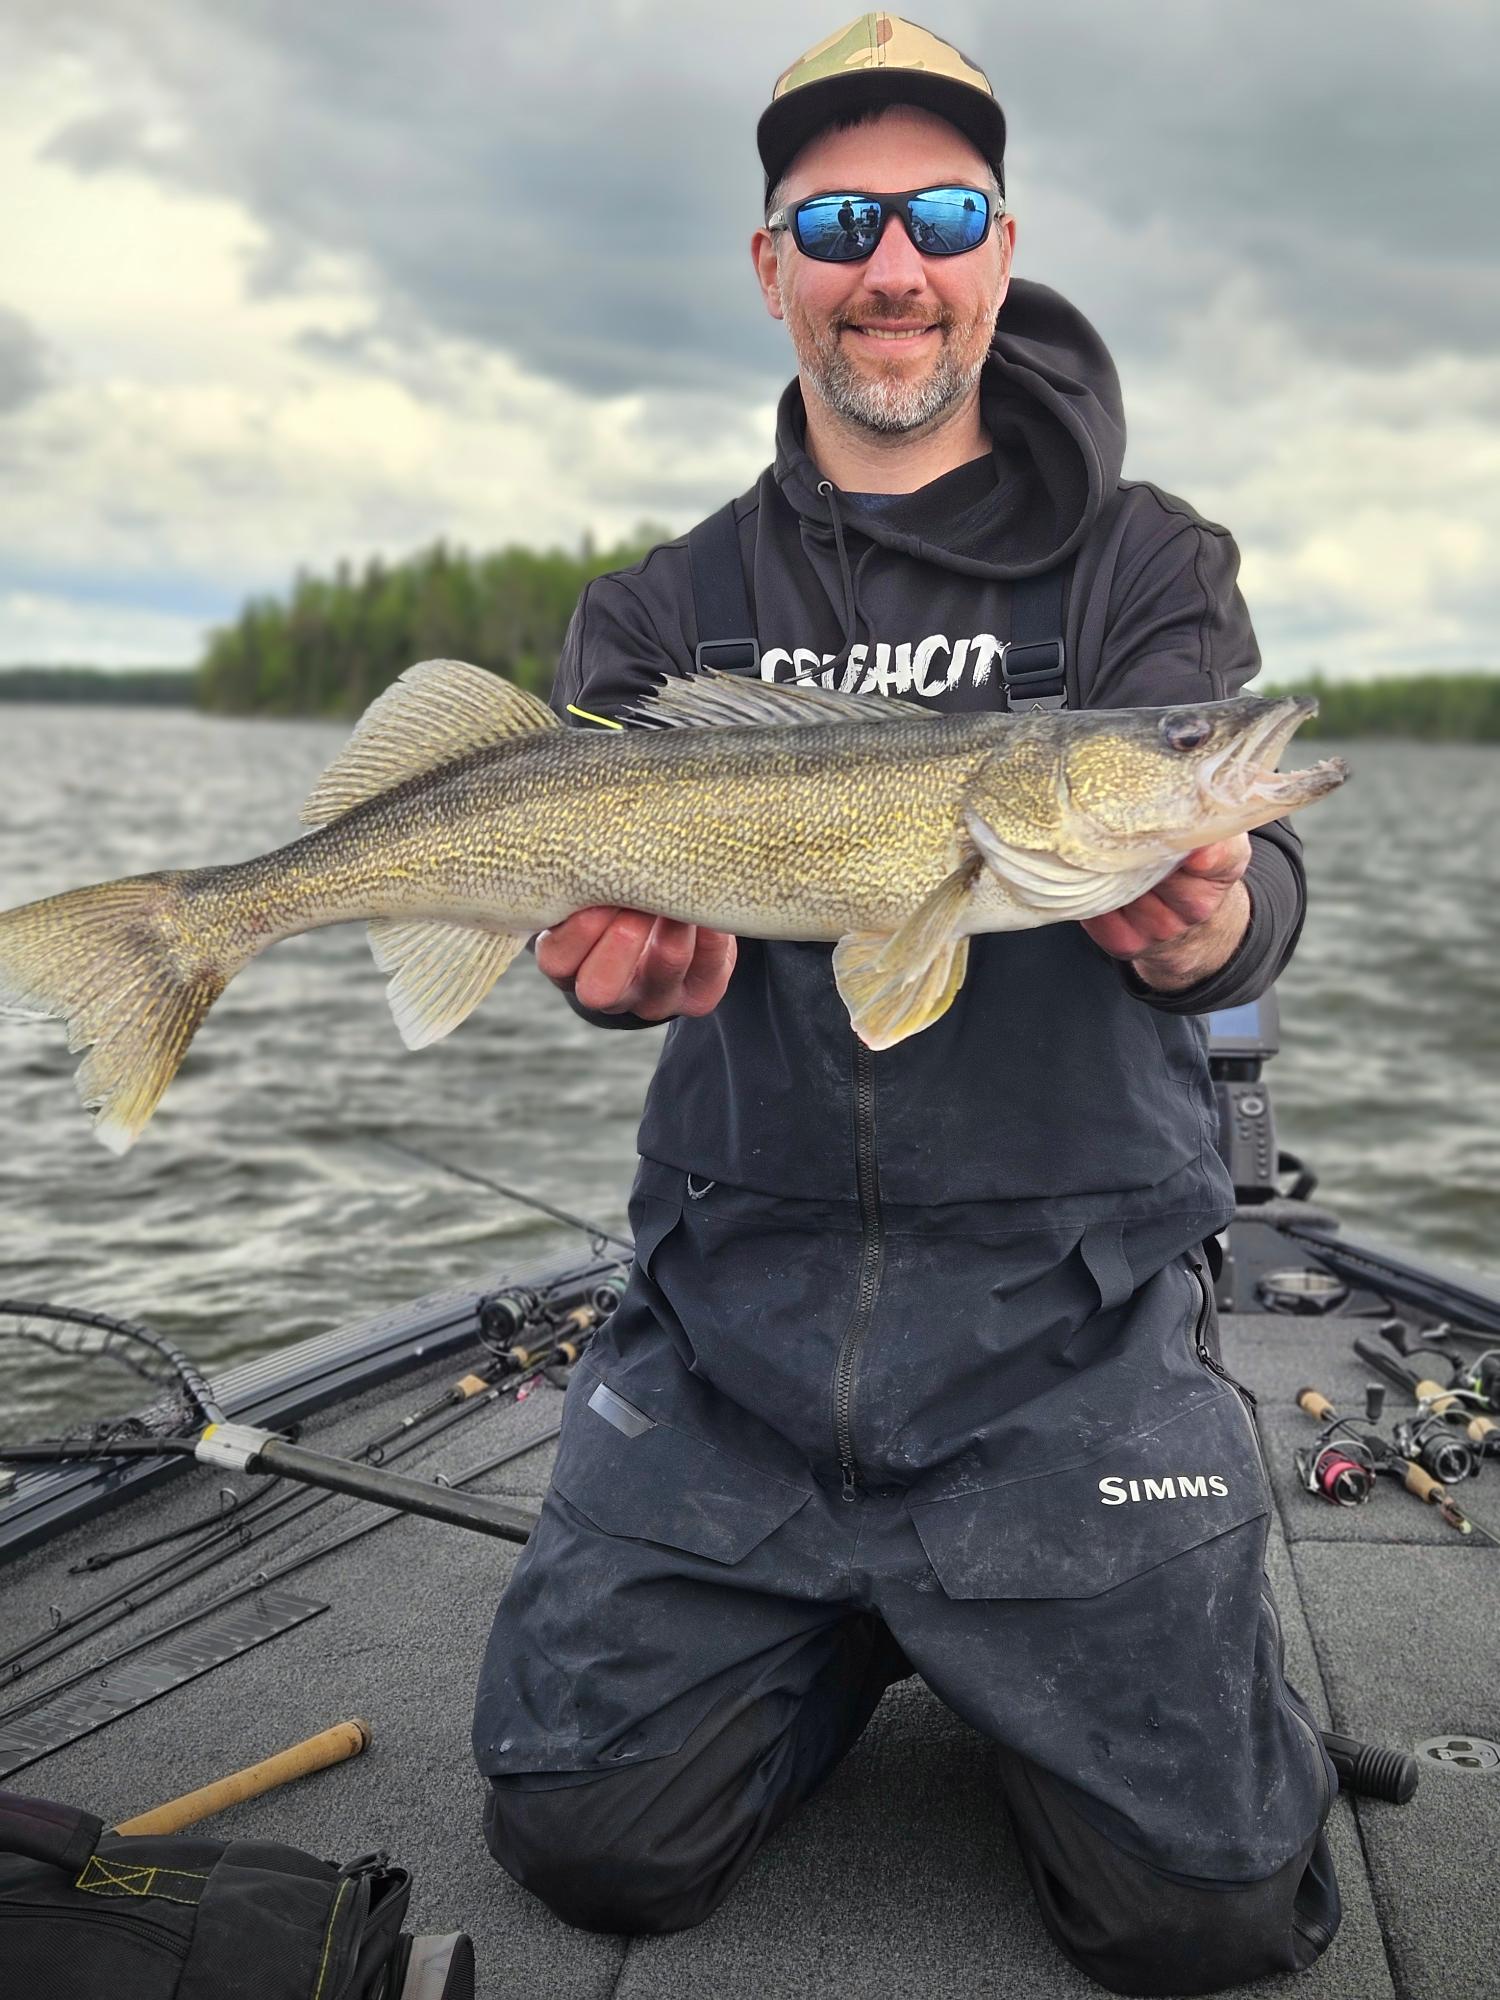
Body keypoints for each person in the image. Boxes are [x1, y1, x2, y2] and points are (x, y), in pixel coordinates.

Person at [472, 15, 1340, 1993]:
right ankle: (858, 1616)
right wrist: (612, 975)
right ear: (773, 263)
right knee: (583, 1830)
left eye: (939, 212)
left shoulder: (1148, 565)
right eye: (841, 217)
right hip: (737, 1324)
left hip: (1064, 1336)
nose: (895, 261)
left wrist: (1207, 924)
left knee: (1209, 1920)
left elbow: (1255, 885)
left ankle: (934, 1613)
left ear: (1001, 248)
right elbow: (612, 943)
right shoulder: (664, 601)